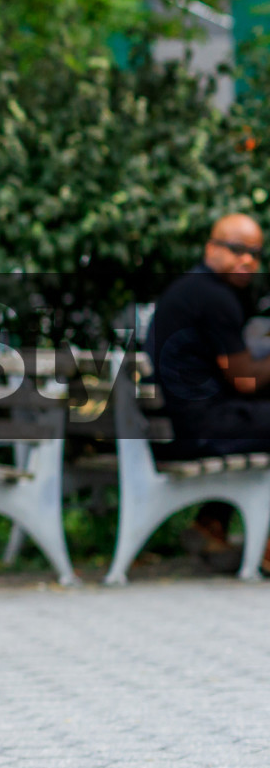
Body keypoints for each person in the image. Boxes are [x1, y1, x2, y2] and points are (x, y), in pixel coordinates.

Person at [147, 213, 270, 570]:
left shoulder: (190, 289)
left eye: (255, 254)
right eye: (236, 250)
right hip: (197, 429)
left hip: (174, 426)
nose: (247, 261)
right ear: (211, 248)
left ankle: (211, 523)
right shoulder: (214, 297)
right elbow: (245, 380)